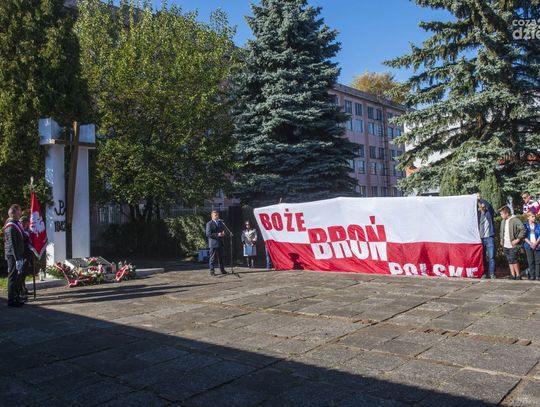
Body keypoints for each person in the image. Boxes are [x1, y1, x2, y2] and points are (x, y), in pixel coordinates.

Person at [3, 204, 25, 307]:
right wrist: (17, 259)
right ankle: (11, 300)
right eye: (18, 211)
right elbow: (13, 244)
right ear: (12, 213)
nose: (20, 213)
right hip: (12, 255)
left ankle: (16, 297)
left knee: (17, 277)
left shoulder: (16, 224)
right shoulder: (11, 226)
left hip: (16, 255)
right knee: (13, 277)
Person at [499, 205, 526, 280]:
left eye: (502, 214)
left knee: (514, 259)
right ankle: (513, 275)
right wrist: (501, 239)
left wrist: (517, 239)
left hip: (513, 244)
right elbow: (502, 231)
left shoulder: (515, 220)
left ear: (507, 213)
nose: (501, 216)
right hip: (505, 244)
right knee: (509, 260)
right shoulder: (503, 221)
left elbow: (523, 229)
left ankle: (518, 275)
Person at [478, 199, 496, 278]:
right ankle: (484, 273)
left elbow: (489, 206)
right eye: (481, 206)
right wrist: (478, 202)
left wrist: (480, 199)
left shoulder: (489, 213)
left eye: (483, 206)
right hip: (480, 238)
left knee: (491, 256)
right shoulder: (478, 215)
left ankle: (492, 273)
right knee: (482, 256)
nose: (482, 207)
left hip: (489, 237)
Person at [205, 210, 227, 276]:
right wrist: (218, 234)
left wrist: (223, 233)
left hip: (220, 242)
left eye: (217, 215)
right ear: (212, 216)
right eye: (215, 215)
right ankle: (212, 271)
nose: (217, 216)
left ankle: (222, 270)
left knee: (221, 258)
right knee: (212, 258)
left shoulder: (220, 223)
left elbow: (223, 230)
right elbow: (208, 234)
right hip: (213, 244)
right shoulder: (209, 223)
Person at [19, 215, 32, 301]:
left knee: (24, 273)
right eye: (26, 223)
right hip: (22, 254)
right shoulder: (20, 231)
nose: (27, 225)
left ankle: (24, 288)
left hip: (27, 254)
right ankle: (21, 290)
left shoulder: (27, 231)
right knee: (21, 273)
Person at [523, 211, 540, 280]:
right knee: (531, 261)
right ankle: (532, 275)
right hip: (528, 245)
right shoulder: (525, 226)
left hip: (537, 245)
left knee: (537, 261)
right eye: (532, 216)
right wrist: (530, 243)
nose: (534, 218)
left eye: (534, 216)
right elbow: (523, 236)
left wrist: (536, 243)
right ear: (528, 217)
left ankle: (537, 275)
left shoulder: (538, 225)